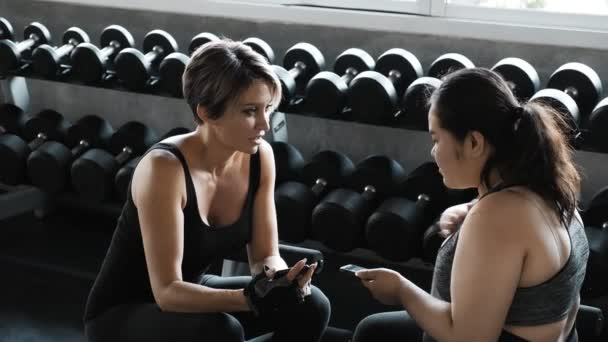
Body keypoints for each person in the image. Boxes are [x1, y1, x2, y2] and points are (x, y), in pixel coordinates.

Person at [83, 40, 330, 342]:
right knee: (221, 332)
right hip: (125, 313)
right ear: (208, 113)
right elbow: (167, 292)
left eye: (267, 108)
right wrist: (250, 297)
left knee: (311, 305)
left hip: (195, 290)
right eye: (250, 111)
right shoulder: (164, 169)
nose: (264, 123)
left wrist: (281, 282)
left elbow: (265, 254)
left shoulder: (259, 157)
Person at [352, 68, 588, 342]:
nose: (433, 151)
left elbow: (469, 338)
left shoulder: (495, 217)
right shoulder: (550, 185)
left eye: (436, 139)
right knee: (375, 330)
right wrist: (470, 211)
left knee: (372, 333)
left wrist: (401, 290)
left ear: (474, 142)